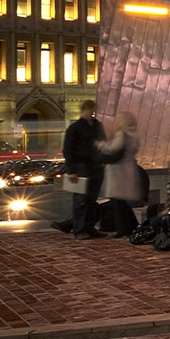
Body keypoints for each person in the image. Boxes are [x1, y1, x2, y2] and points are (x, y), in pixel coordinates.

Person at [61, 100, 107, 239]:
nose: (91, 112)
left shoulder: (98, 126)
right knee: (81, 200)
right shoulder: (75, 128)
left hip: (96, 167)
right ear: (83, 111)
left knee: (92, 200)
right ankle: (79, 229)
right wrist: (71, 170)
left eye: (92, 110)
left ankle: (90, 227)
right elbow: (68, 150)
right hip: (81, 167)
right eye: (89, 110)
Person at [97, 110, 144, 237]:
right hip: (129, 168)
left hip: (118, 170)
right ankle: (131, 226)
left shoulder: (122, 134)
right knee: (122, 202)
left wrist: (100, 145)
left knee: (117, 202)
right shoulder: (134, 135)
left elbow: (113, 149)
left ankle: (123, 229)